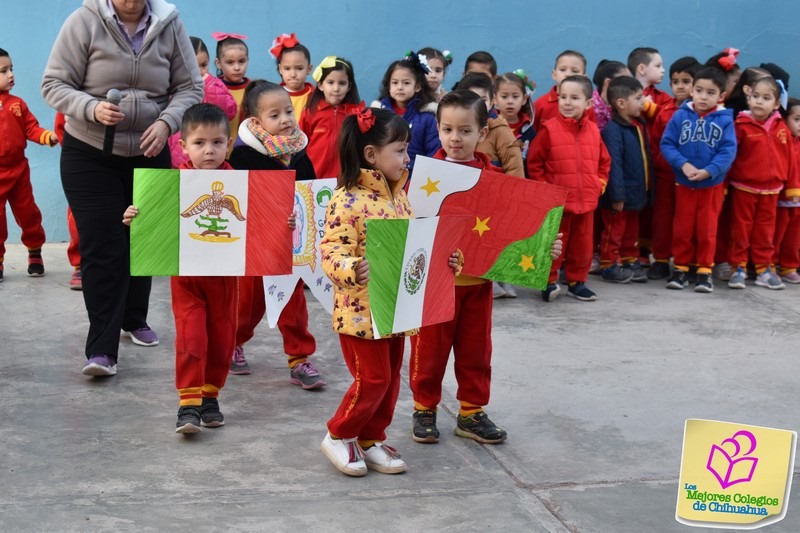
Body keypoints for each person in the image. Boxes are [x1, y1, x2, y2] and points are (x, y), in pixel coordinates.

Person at [42, 0, 203, 376]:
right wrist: (90, 107)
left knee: (144, 241)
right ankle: (101, 349)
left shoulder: (169, 23)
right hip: (90, 154)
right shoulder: (83, 21)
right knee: (104, 246)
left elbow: (190, 87)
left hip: (150, 149)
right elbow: (53, 83)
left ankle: (135, 318)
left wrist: (167, 123)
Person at [123, 104, 287, 433]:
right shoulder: (170, 184)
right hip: (187, 279)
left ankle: (210, 395)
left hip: (226, 280)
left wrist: (285, 221)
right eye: (199, 143)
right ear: (183, 146)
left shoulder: (241, 185)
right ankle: (188, 402)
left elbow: (257, 222)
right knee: (191, 337)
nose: (208, 150)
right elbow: (159, 223)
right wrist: (135, 219)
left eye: (216, 142)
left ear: (228, 145)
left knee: (222, 339)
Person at [320, 107, 461, 476]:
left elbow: (414, 249)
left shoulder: (400, 198)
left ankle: (370, 437)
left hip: (396, 307)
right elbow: (331, 251)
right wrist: (350, 268)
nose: (407, 157)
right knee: (374, 379)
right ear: (371, 155)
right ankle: (339, 434)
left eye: (406, 149)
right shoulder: (346, 199)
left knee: (389, 380)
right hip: (359, 311)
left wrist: (446, 262)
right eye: (399, 150)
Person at [229, 80, 324, 387]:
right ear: (256, 122)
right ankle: (234, 342)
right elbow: (239, 200)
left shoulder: (298, 149)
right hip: (256, 246)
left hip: (291, 245)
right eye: (275, 115)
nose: (285, 119)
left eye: (287, 111)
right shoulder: (243, 155)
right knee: (249, 305)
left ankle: (300, 359)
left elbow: (308, 191)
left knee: (293, 303)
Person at [528, 75, 610, 302]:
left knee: (582, 247)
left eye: (574, 98)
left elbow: (604, 162)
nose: (567, 102)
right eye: (563, 96)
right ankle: (548, 281)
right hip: (558, 204)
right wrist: (546, 191)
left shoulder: (594, 130)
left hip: (586, 203)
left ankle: (577, 282)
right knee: (554, 245)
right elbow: (535, 163)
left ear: (588, 103)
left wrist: (599, 184)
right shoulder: (549, 129)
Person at [660, 68, 735, 292]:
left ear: (720, 96)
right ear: (692, 90)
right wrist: (683, 164)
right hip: (684, 183)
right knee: (682, 227)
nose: (703, 96)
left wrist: (709, 171)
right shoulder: (680, 115)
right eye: (699, 90)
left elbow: (728, 151)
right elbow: (667, 144)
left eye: (710, 92)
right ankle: (681, 268)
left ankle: (704, 270)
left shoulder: (725, 121)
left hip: (711, 185)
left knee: (707, 229)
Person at [726, 77, 799, 290]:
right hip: (743, 188)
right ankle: (738, 267)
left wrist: (793, 186)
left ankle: (763, 269)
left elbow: (791, 160)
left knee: (766, 232)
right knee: (740, 229)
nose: (759, 102)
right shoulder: (740, 125)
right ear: (748, 98)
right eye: (755, 96)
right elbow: (730, 156)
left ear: (776, 104)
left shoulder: (781, 128)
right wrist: (723, 186)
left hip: (772, 191)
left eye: (766, 98)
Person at [0, 48, 57, 283]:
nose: (11, 74)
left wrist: (48, 137)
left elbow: (31, 128)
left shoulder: (18, 104)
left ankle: (35, 251)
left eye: (11, 69)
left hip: (19, 171)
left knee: (28, 214)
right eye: (3, 71)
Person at [647, 56, 701, 280]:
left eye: (686, 81)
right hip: (666, 175)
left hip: (693, 178)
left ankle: (688, 262)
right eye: (675, 81)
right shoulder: (664, 112)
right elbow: (655, 143)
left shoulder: (703, 114)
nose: (680, 86)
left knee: (688, 222)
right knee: (663, 219)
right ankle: (660, 259)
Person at [599, 77, 652, 285]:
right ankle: (609, 263)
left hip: (636, 192)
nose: (643, 102)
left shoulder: (637, 125)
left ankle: (630, 260)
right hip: (619, 196)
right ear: (621, 103)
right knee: (614, 231)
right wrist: (617, 194)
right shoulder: (613, 130)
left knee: (631, 231)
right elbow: (613, 164)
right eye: (638, 98)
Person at [168, 37, 237, 168]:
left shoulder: (213, 84)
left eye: (204, 65)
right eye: (192, 66)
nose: (199, 71)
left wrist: (208, 87)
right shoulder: (171, 88)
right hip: (178, 159)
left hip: (212, 158)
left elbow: (230, 111)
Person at [372, 51, 441, 170]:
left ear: (418, 86)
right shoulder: (377, 115)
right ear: (388, 86)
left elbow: (434, 152)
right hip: (382, 178)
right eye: (395, 82)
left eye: (406, 83)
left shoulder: (427, 117)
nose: (400, 87)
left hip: (416, 179)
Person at [298, 56, 361, 178]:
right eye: (330, 82)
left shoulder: (355, 114)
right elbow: (299, 144)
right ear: (321, 85)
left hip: (344, 179)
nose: (336, 88)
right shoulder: (310, 111)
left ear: (349, 86)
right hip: (314, 177)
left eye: (342, 83)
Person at [455, 73, 524, 177]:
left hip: (493, 190)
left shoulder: (500, 131)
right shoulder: (454, 129)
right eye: (471, 99)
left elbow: (514, 168)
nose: (477, 105)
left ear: (492, 102)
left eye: (483, 100)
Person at [533, 50, 595, 132]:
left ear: (584, 77)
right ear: (554, 74)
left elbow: (593, 134)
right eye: (562, 69)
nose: (568, 74)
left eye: (575, 71)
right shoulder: (540, 104)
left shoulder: (586, 106)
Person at [774, 98, 800, 283]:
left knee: (794, 235)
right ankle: (771, 264)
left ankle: (789, 265)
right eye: (797, 119)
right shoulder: (783, 141)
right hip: (782, 197)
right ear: (784, 119)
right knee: (776, 233)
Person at [213, 32, 249, 155]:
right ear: (218, 63)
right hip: (217, 154)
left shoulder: (254, 90)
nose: (237, 67)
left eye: (242, 61)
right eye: (230, 62)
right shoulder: (213, 89)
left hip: (245, 155)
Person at [270, 33, 314, 120]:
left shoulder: (314, 96)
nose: (293, 74)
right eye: (287, 68)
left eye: (299, 68)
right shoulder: (273, 95)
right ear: (280, 69)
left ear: (309, 69)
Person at [494, 71, 535, 162]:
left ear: (524, 99)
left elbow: (533, 160)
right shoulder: (489, 126)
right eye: (504, 97)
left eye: (515, 96)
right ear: (495, 99)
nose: (510, 101)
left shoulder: (528, 130)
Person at [591, 60, 631, 131]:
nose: (630, 84)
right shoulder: (593, 109)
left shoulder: (622, 101)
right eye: (625, 80)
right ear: (608, 83)